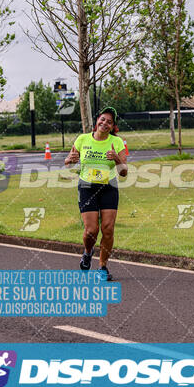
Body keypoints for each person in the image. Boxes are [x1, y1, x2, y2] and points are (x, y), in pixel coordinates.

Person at [65, 106, 128, 281]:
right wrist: (70, 160)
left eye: (109, 121)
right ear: (97, 121)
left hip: (109, 187)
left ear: (113, 126)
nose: (105, 123)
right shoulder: (82, 139)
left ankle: (102, 267)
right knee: (91, 231)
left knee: (107, 229)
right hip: (87, 187)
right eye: (103, 119)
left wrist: (116, 158)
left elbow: (124, 172)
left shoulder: (117, 142)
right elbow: (69, 160)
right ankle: (87, 252)